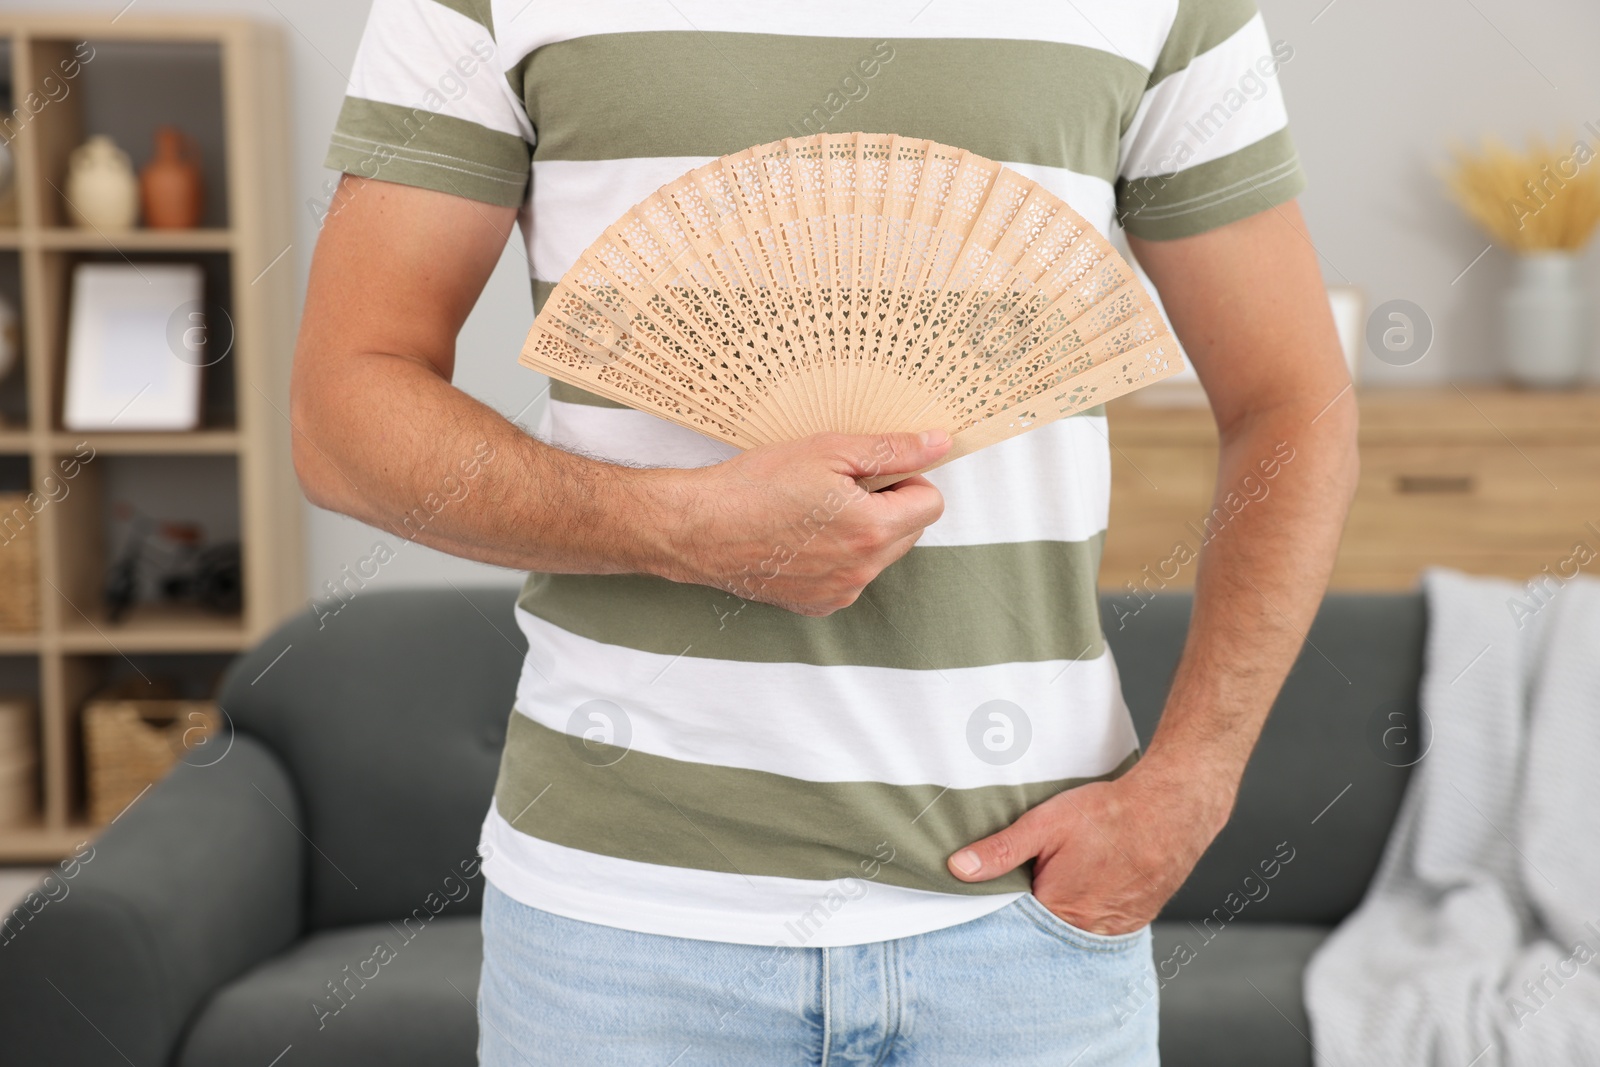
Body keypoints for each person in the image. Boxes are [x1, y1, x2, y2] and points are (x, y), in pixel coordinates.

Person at [295, 1, 1358, 1063]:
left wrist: (1191, 783)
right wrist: (676, 525)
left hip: (1024, 930)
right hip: (617, 935)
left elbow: (1291, 401)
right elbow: (341, 417)